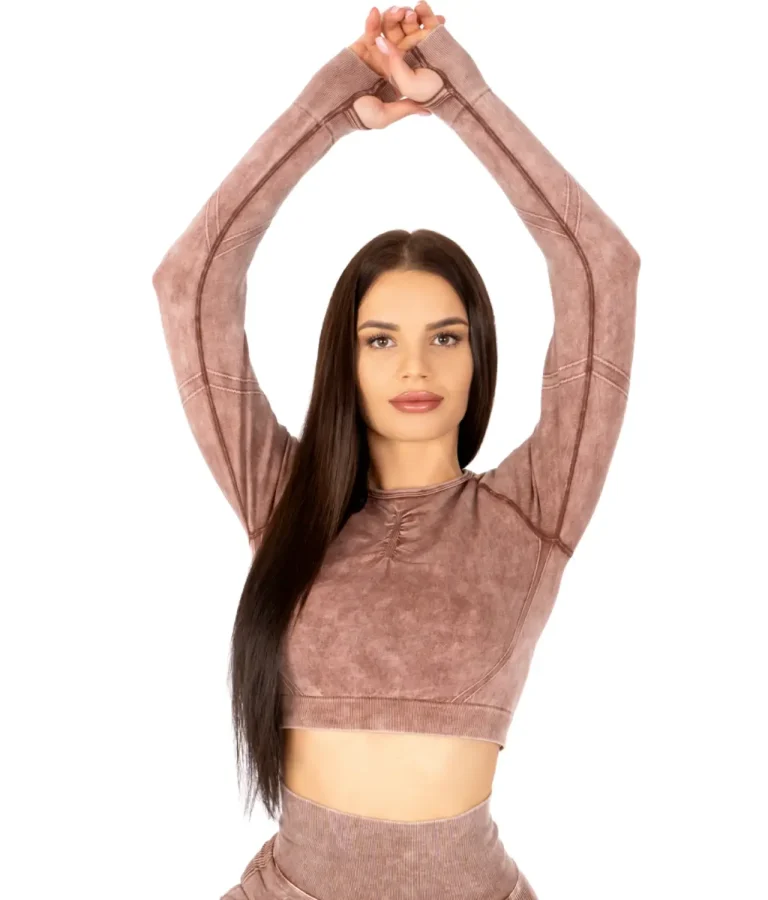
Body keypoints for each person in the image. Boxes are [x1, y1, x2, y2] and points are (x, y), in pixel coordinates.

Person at [151, 4, 640, 899]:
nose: (415, 366)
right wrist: (337, 105)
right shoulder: (284, 501)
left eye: (445, 337)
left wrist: (460, 96)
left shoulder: (537, 510)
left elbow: (601, 267)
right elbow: (190, 282)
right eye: (380, 340)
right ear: (345, 360)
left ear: (479, 354)